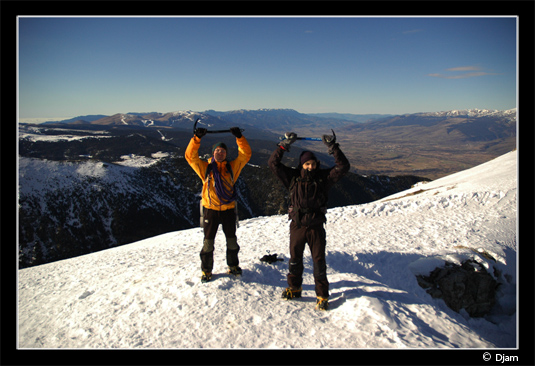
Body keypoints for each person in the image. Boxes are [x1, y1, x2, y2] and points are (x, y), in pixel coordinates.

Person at [268, 131, 350, 310]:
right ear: (301, 165)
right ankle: (294, 288)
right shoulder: (293, 178)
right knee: (295, 260)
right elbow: (273, 164)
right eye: (307, 164)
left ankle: (322, 295)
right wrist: (283, 146)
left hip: (315, 226)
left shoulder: (323, 179)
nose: (310, 167)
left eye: (313, 164)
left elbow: (343, 167)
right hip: (297, 225)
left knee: (319, 261)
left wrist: (333, 148)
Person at [185, 126, 252, 282]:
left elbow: (245, 155)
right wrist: (196, 139)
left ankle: (233, 266)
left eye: (222, 151)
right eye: (217, 151)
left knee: (232, 241)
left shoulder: (232, 168)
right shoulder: (205, 168)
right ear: (213, 153)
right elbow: (190, 157)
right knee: (208, 243)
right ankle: (206, 270)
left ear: (226, 154)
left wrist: (240, 138)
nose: (220, 153)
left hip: (228, 210)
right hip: (211, 210)